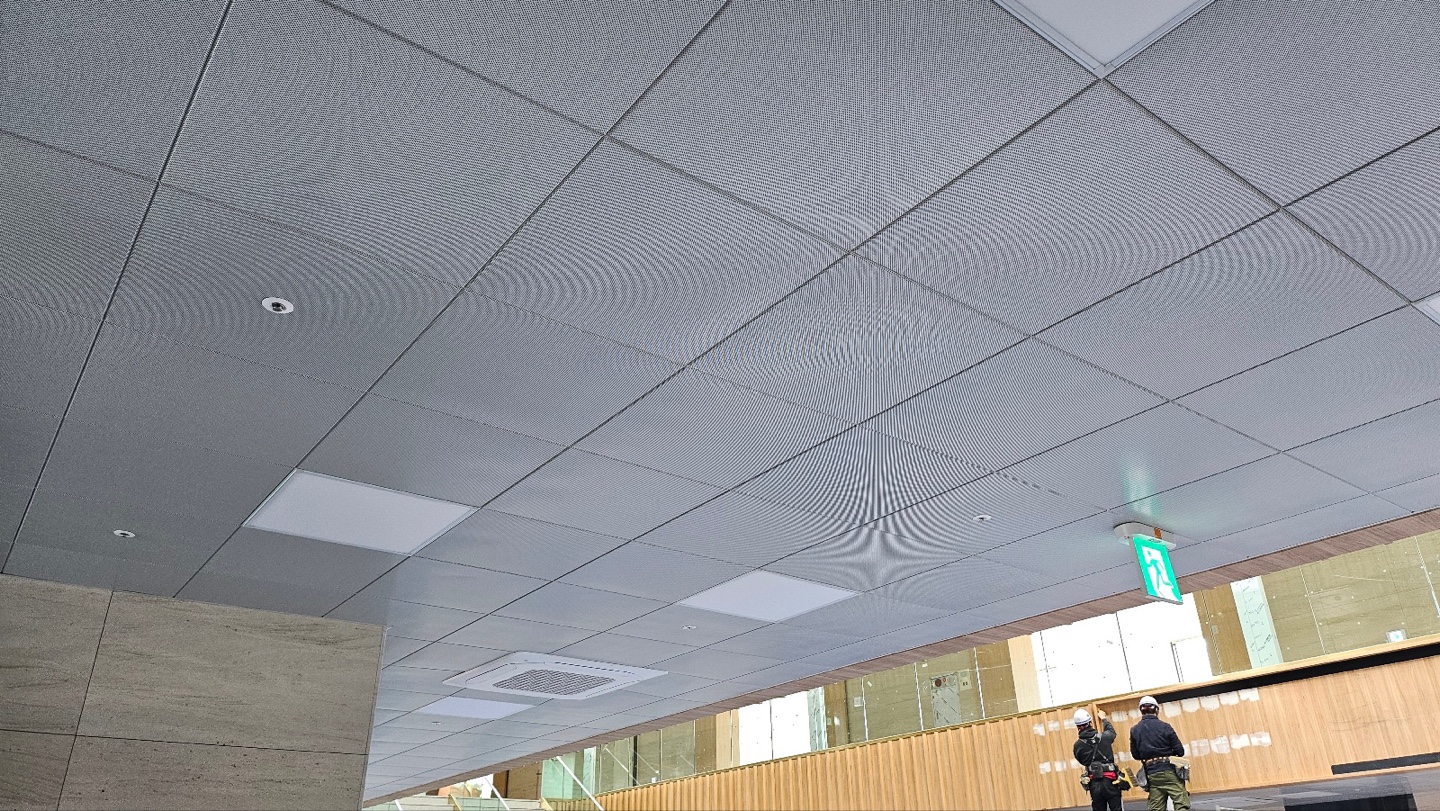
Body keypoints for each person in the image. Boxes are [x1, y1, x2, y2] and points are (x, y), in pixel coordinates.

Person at [1129, 696, 1190, 811]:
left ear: (1141, 711)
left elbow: (1135, 755)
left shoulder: (1134, 730)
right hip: (1169, 771)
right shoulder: (1165, 727)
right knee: (1181, 804)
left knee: (1156, 808)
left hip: (1151, 774)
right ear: (1156, 710)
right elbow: (1180, 751)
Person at [1072, 708, 1122, 811]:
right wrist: (1103, 718)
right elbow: (1111, 732)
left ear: (1077, 727)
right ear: (1090, 722)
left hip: (1094, 784)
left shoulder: (1078, 745)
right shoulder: (1104, 737)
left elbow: (1081, 761)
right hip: (1111, 781)